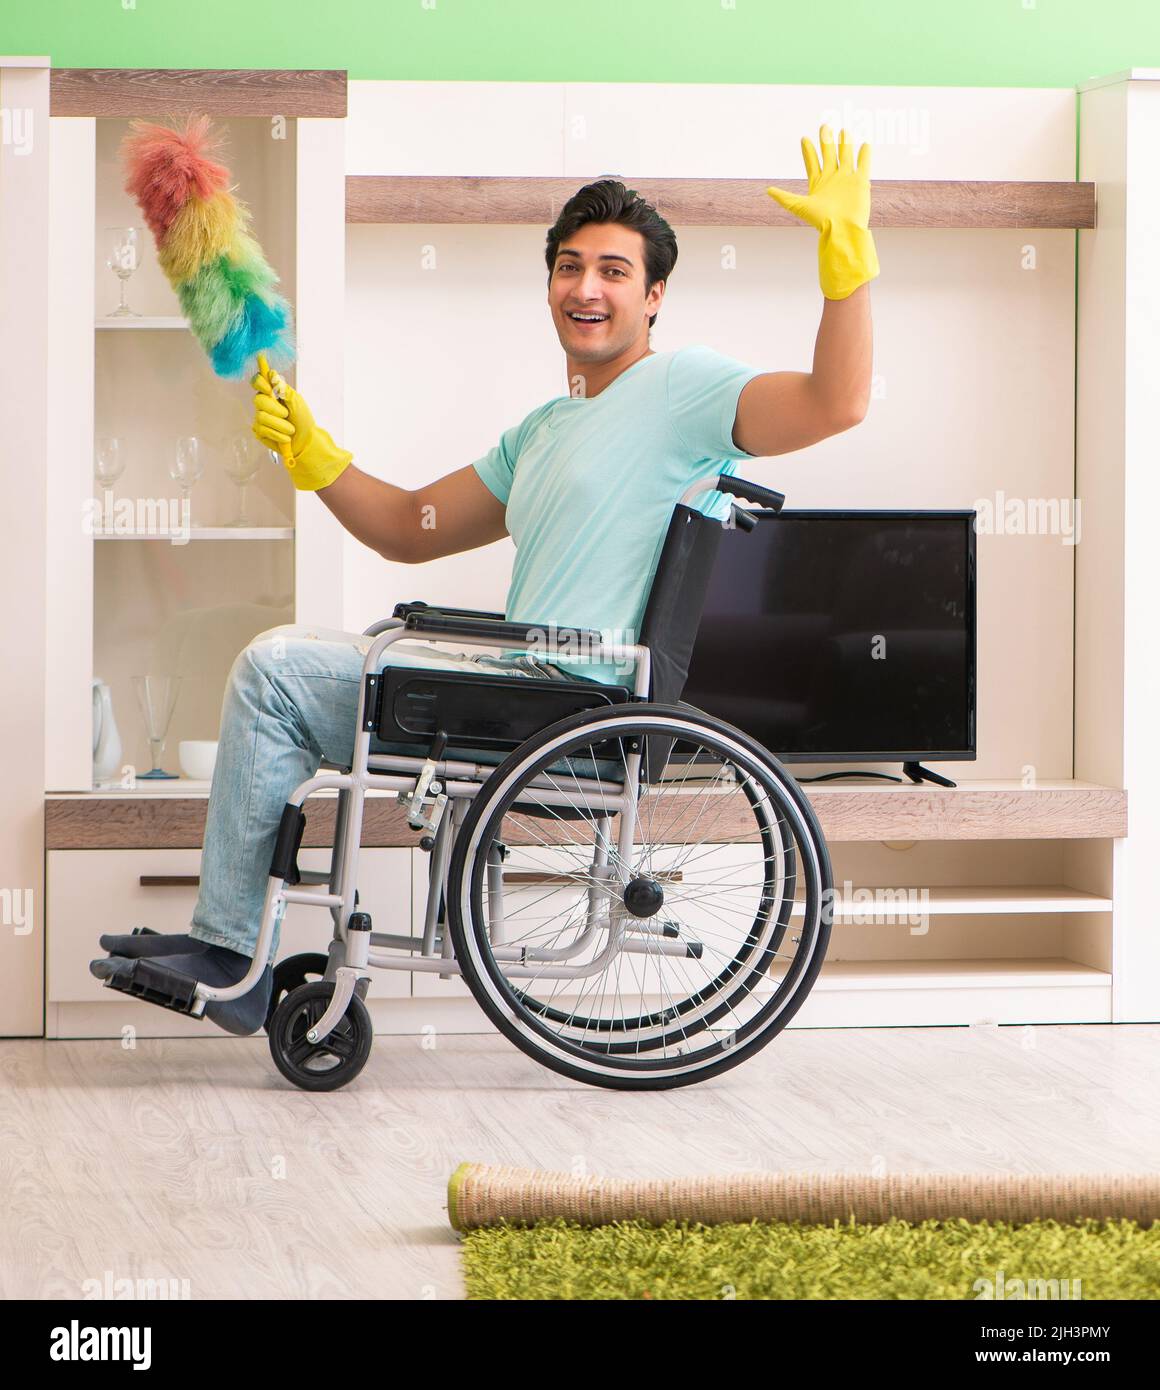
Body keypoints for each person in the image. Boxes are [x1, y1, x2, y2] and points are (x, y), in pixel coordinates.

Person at [91, 124, 878, 1035]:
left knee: (277, 671)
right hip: (516, 686)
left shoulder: (684, 391)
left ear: (655, 295)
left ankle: (234, 951)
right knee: (284, 688)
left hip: (569, 699)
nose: (587, 288)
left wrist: (845, 258)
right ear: (548, 284)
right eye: (570, 267)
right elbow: (408, 526)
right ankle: (239, 946)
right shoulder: (543, 429)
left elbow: (837, 401)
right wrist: (314, 451)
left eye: (615, 272)